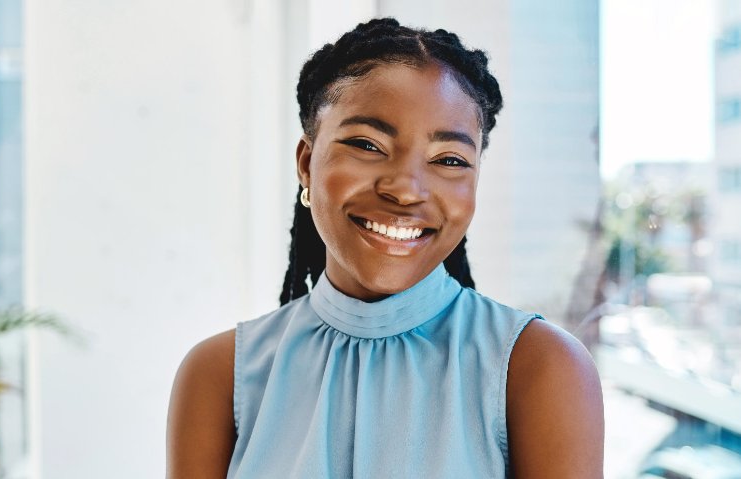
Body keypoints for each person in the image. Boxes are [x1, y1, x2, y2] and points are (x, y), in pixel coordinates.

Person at [166, 18, 604, 478]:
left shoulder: (539, 367)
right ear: (306, 164)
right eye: (367, 144)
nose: (406, 189)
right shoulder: (219, 375)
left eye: (450, 160)